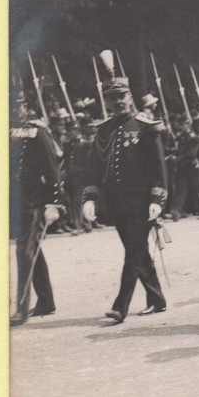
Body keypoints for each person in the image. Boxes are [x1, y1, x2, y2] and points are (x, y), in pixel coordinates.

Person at [81, 69, 168, 323]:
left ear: (130, 97)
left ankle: (121, 306)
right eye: (112, 98)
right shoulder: (104, 130)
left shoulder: (145, 127)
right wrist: (90, 198)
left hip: (142, 203)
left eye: (122, 96)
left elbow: (159, 169)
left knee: (132, 253)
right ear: (106, 102)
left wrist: (156, 200)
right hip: (117, 204)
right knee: (138, 251)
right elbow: (94, 167)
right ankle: (156, 298)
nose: (118, 101)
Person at [10, 93, 63, 326]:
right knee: (32, 250)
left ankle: (21, 306)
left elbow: (53, 170)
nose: (12, 110)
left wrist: (53, 203)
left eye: (17, 105)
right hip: (16, 202)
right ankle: (46, 301)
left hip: (34, 202)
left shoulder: (36, 132)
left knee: (24, 250)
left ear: (25, 107)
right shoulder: (6, 131)